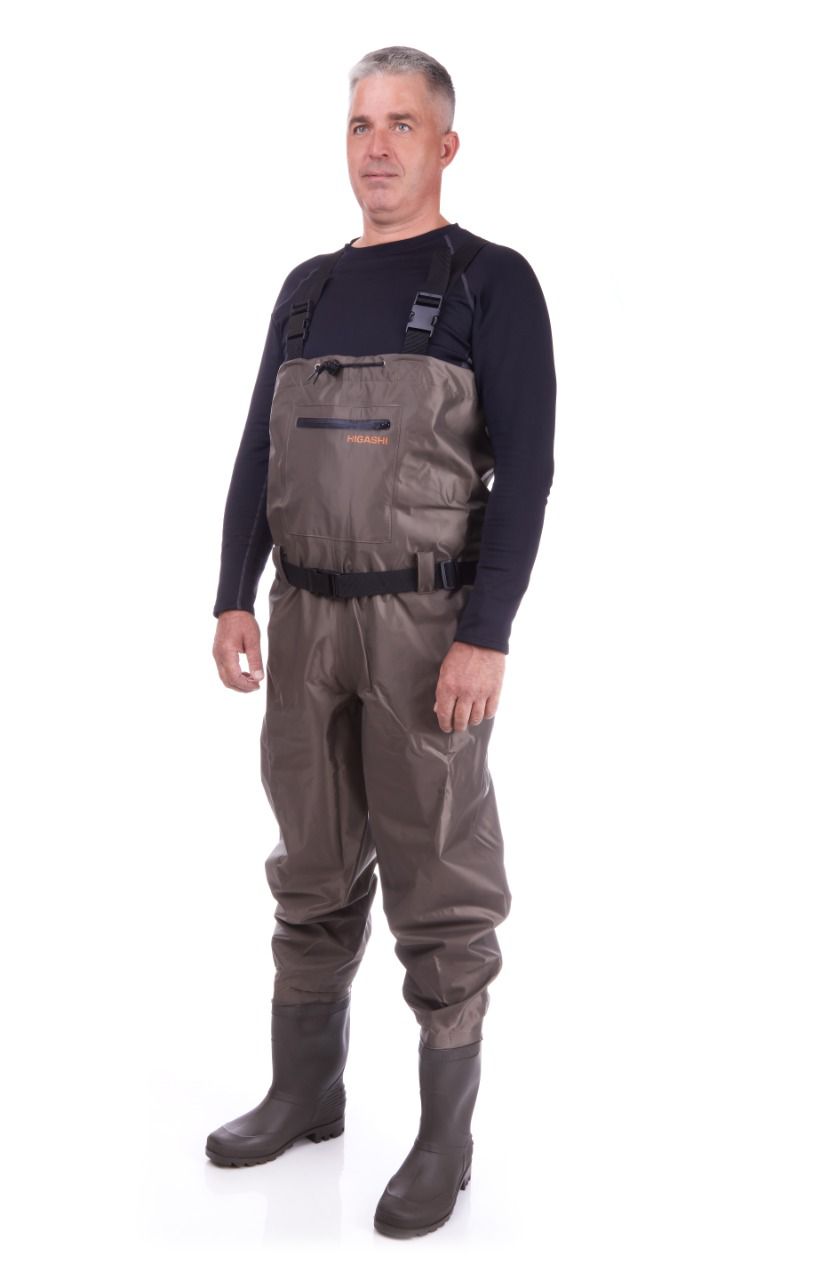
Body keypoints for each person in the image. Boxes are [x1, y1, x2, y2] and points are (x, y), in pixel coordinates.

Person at [206, 45, 556, 1239]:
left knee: (439, 882)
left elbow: (527, 473)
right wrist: (232, 592)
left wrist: (485, 633)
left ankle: (445, 1139)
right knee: (310, 862)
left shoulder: (489, 281)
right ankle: (305, 1092)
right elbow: (260, 447)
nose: (378, 145)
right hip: (302, 619)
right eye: (360, 123)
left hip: (424, 626)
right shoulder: (306, 287)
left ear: (445, 145)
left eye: (403, 123)